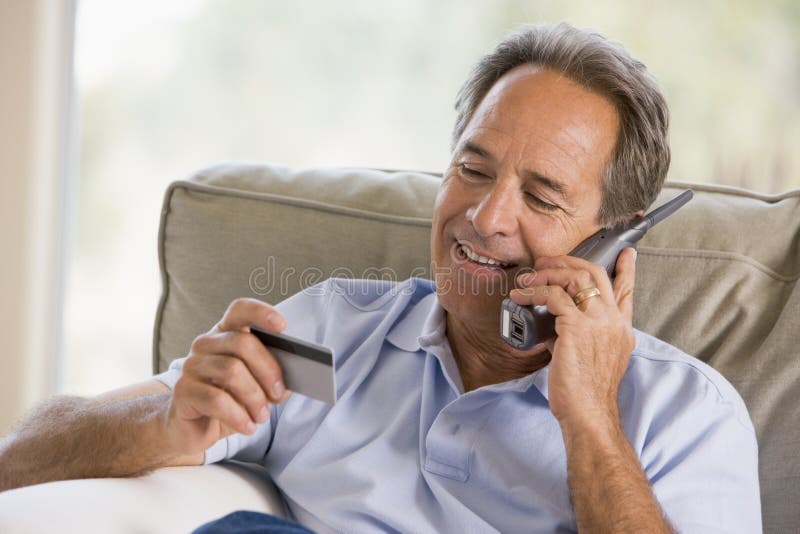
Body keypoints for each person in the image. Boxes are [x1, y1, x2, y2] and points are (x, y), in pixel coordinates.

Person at [0, 22, 761, 533]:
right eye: (472, 169)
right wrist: (164, 425)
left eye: (540, 197)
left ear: (614, 238)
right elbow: (19, 459)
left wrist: (590, 416)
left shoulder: (687, 415)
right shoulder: (331, 341)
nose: (485, 217)